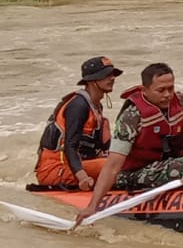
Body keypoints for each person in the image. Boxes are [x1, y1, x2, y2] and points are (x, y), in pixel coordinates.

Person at [73, 62, 183, 224]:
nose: (167, 95)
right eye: (161, 90)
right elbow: (113, 165)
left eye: (170, 88)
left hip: (168, 164)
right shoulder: (132, 116)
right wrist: (93, 206)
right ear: (145, 90)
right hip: (135, 172)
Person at [35, 57, 122, 189]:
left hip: (77, 165)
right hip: (54, 170)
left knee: (121, 161)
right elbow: (70, 146)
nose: (112, 78)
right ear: (91, 80)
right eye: (106, 75)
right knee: (113, 167)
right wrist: (82, 177)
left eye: (113, 74)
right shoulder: (78, 105)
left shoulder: (96, 107)